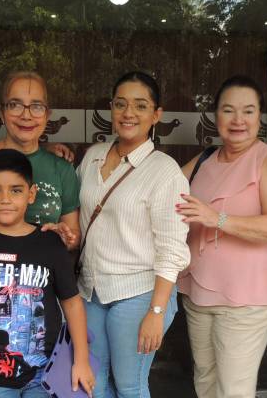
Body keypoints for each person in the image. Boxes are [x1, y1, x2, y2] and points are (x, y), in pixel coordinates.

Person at [176, 75, 267, 398]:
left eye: (248, 111)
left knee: (234, 390)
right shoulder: (204, 160)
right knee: (205, 382)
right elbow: (164, 189)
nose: (238, 120)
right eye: (229, 110)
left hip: (246, 298)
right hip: (198, 290)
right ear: (216, 116)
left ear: (260, 117)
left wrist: (219, 219)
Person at [0, 149, 94, 398]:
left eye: (15, 190)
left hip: (44, 374)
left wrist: (81, 361)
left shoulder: (49, 244)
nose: (5, 199)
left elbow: (72, 304)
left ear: (31, 194)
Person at [76, 71, 190, 398]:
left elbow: (172, 248)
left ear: (156, 115)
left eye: (140, 106)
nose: (129, 113)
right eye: (121, 104)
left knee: (129, 386)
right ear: (111, 108)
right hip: (92, 290)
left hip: (139, 293)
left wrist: (156, 312)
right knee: (93, 386)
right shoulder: (93, 156)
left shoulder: (163, 171)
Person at [0, 71, 79, 250]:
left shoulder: (61, 168)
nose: (26, 115)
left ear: (47, 114)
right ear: (1, 112)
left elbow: (73, 234)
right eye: (15, 105)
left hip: (39, 274)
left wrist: (64, 238)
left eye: (37, 106)